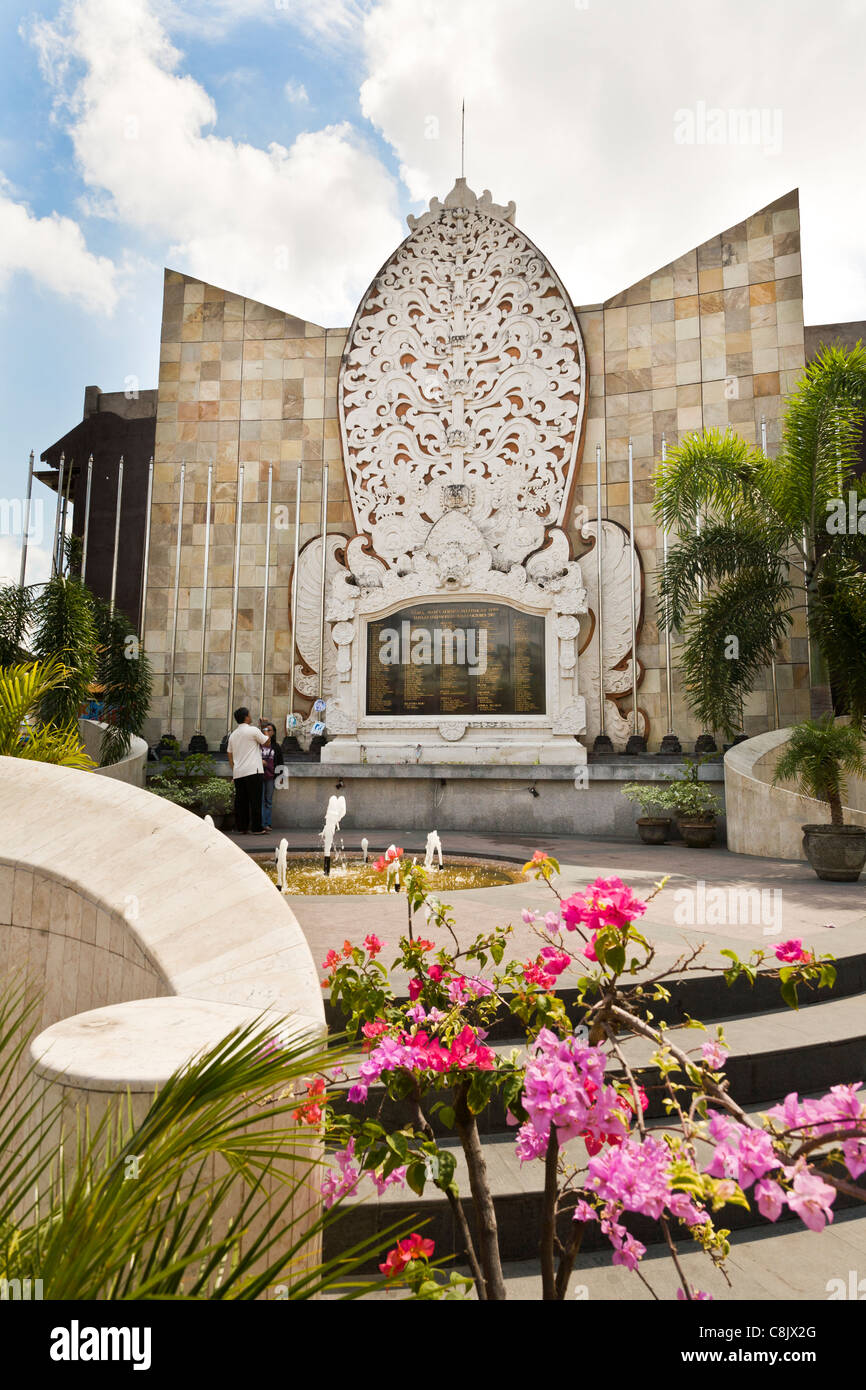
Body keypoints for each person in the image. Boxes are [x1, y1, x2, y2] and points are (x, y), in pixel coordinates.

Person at [226, 706, 269, 834]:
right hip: (253, 770)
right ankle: (256, 828)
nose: (251, 717)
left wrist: (235, 770)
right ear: (246, 717)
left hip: (239, 772)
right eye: (249, 715)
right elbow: (267, 742)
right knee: (255, 800)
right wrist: (265, 727)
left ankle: (242, 827)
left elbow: (229, 754)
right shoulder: (253, 730)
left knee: (241, 801)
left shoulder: (233, 735)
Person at [260, 721, 284, 831]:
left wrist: (281, 777)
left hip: (270, 776)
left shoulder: (276, 746)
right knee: (260, 800)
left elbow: (280, 762)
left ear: (273, 733)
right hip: (258, 775)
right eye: (265, 730)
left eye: (269, 730)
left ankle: (267, 823)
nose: (267, 732)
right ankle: (261, 823)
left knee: (268, 801)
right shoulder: (258, 744)